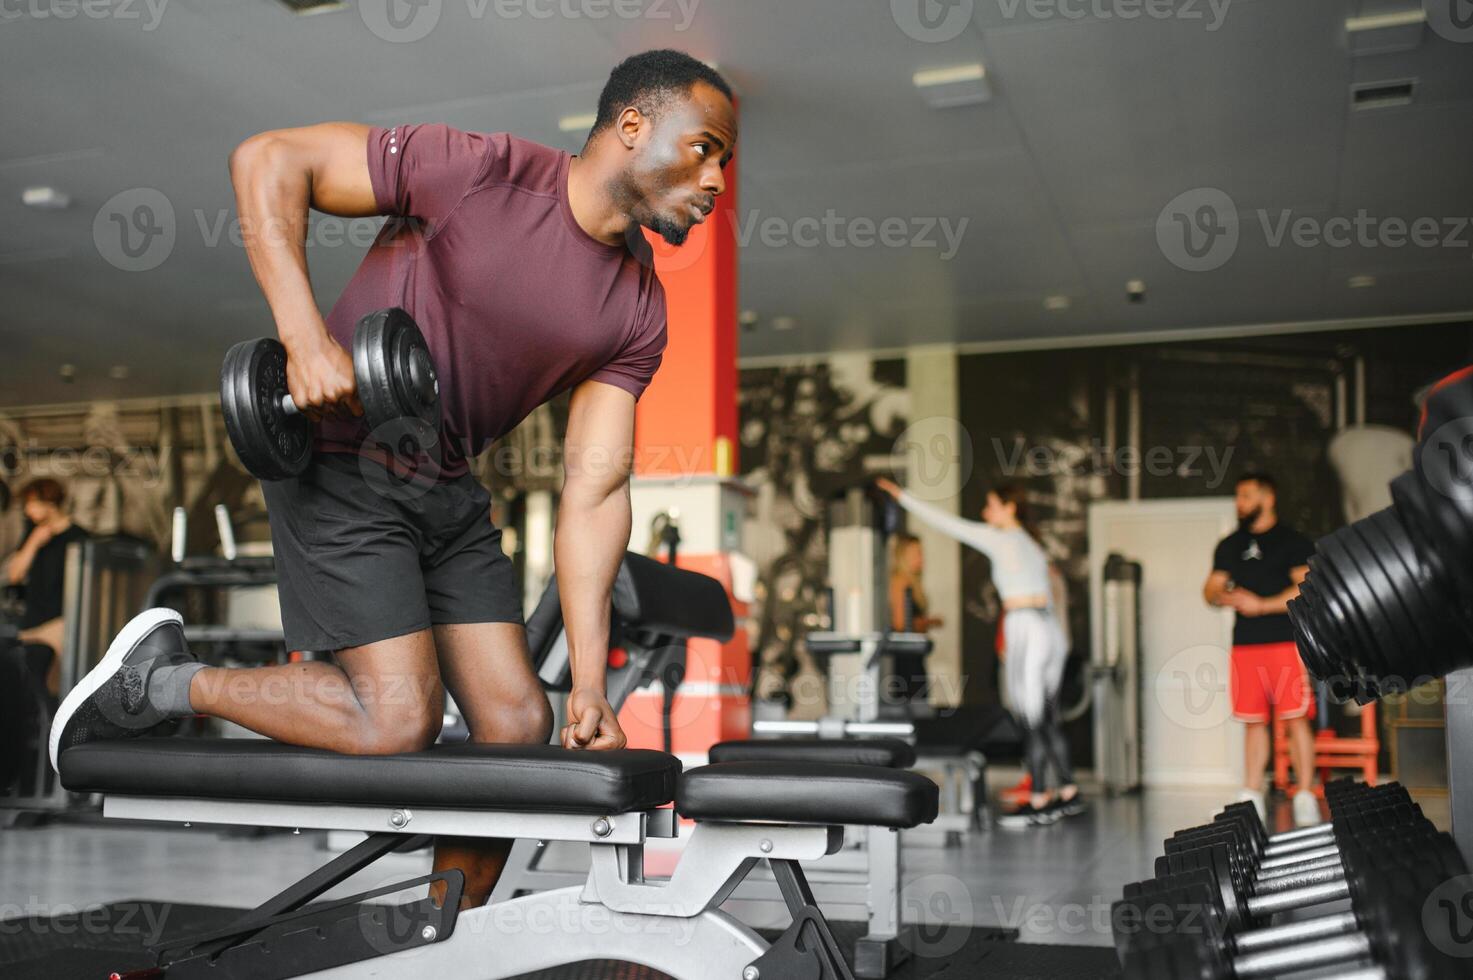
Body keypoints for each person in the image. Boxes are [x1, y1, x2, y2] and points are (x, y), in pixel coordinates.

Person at [50, 50, 737, 909]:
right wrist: (303, 339)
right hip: (340, 460)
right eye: (705, 147)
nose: (715, 178)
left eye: (725, 161)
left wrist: (592, 685)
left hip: (446, 486)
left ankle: (441, 936)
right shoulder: (482, 173)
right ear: (632, 126)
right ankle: (156, 679)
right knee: (396, 719)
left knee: (519, 724)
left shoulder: (638, 306)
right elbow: (269, 159)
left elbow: (594, 490)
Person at [876, 478, 1083, 828]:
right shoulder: (1032, 544)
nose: (985, 512)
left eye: (990, 505)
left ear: (1009, 508)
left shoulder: (1001, 538)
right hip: (1047, 630)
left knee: (1029, 717)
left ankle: (1040, 799)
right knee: (1045, 715)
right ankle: (1066, 790)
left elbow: (949, 524)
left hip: (1026, 626)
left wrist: (904, 497)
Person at [1203, 472, 1320, 827]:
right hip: (1246, 647)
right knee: (1253, 723)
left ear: (1268, 499)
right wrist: (1221, 595)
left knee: (1295, 719)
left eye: (1247, 496)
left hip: (1286, 643)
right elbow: (1209, 590)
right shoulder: (1229, 544)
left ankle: (1304, 794)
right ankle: (1251, 794)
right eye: (1238, 497)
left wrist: (1262, 604)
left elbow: (1307, 589)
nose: (1240, 504)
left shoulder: (1293, 541)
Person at [4, 478, 89, 696]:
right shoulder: (33, 534)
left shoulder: (78, 538)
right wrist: (34, 542)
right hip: (33, 622)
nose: (26, 510)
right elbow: (15, 574)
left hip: (62, 624)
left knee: (55, 685)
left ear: (48, 503)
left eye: (30, 504)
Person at [887, 533, 942, 705]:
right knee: (911, 706)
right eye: (916, 553)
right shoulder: (900, 582)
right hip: (905, 658)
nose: (921, 558)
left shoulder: (912, 583)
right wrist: (930, 622)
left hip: (914, 654)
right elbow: (901, 624)